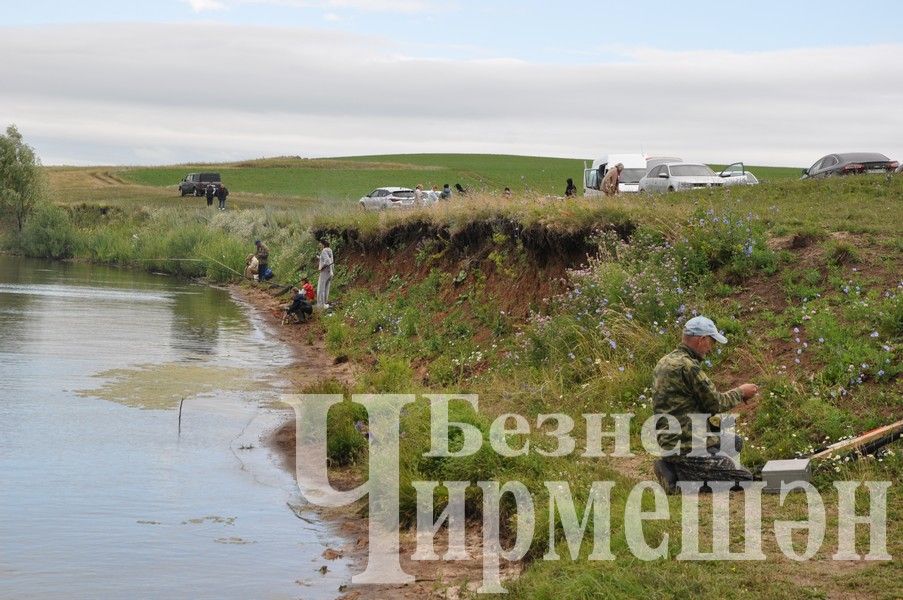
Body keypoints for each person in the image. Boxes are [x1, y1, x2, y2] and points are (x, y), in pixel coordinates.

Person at [651, 316, 759, 494]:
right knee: (744, 478)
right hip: (688, 445)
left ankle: (673, 465)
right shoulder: (688, 367)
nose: (711, 348)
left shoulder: (664, 362)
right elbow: (715, 403)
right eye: (712, 342)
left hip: (671, 440)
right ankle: (677, 483)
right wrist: (741, 392)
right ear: (702, 340)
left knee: (735, 443)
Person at [316, 239, 334, 309]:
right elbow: (329, 259)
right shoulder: (330, 250)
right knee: (326, 288)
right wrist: (319, 258)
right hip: (330, 273)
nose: (319, 246)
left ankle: (321, 305)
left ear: (323, 244)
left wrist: (321, 267)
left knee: (321, 289)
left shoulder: (324, 251)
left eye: (320, 244)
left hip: (325, 273)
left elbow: (327, 261)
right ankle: (325, 303)